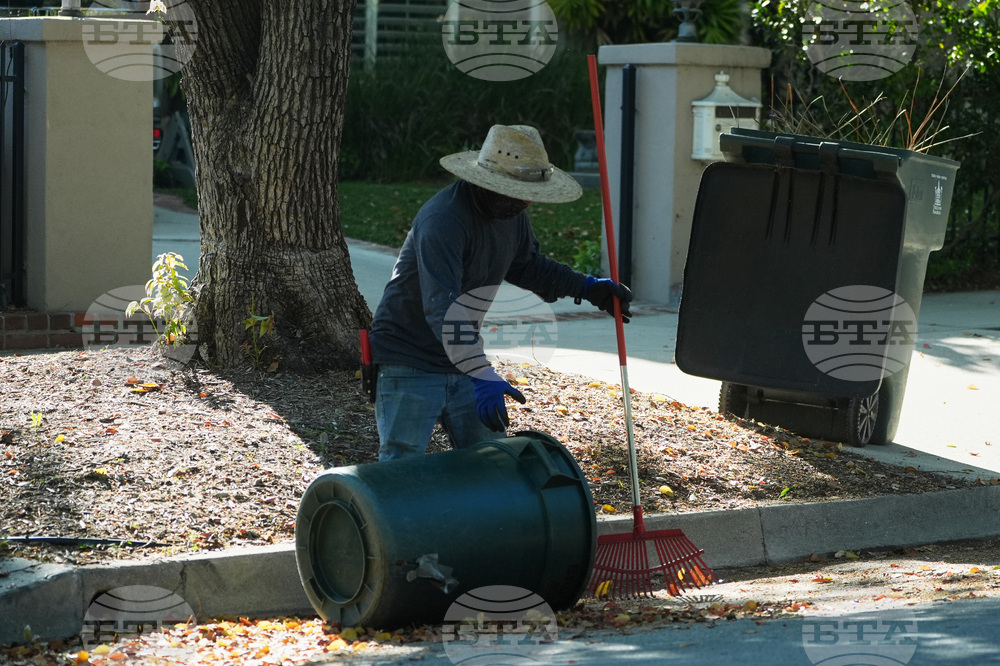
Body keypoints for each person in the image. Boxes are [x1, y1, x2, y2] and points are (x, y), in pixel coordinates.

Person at [368, 124, 632, 460]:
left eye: (527, 194)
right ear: (486, 184)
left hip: (462, 360)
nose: (523, 202)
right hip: (408, 360)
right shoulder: (443, 221)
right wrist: (481, 373)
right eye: (514, 192)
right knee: (403, 468)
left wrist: (586, 287)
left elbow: (528, 266)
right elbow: (443, 308)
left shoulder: (511, 214)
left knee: (493, 462)